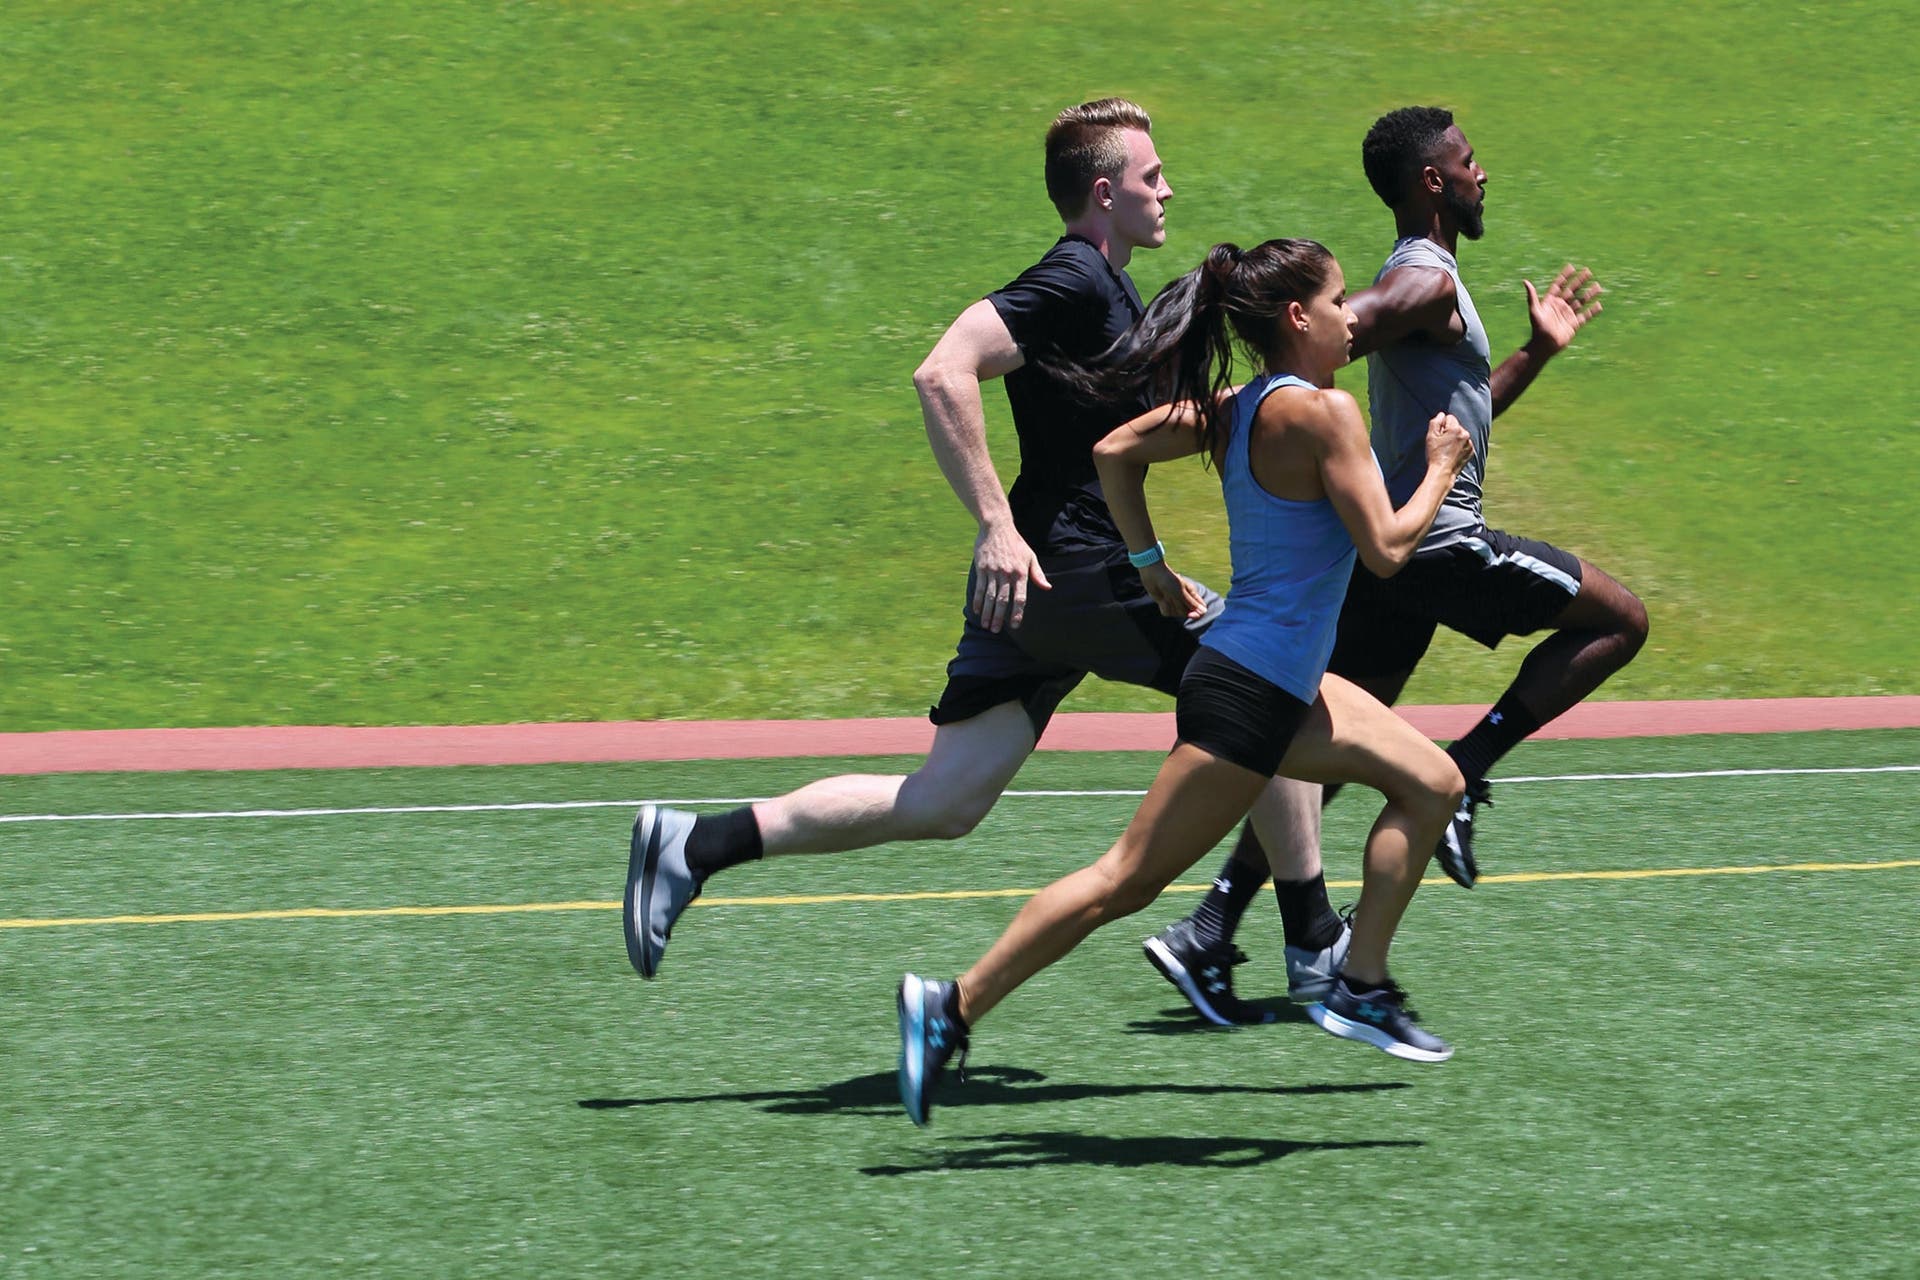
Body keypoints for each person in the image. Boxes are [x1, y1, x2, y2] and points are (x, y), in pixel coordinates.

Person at [623, 98, 1350, 1021]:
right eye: (1151, 177)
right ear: (1104, 191)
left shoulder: (1112, 289)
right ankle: (1312, 940)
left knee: (946, 798)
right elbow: (943, 369)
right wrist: (995, 526)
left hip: (1055, 579)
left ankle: (694, 846)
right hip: (1068, 563)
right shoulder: (1076, 277)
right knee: (1258, 692)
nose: (1167, 190)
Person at [897, 237, 1478, 1126]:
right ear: (1296, 319)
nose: (1351, 317)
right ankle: (951, 1007)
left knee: (1434, 781)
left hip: (1277, 677)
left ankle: (1358, 981)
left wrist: (1152, 566)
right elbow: (1390, 551)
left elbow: (1115, 450)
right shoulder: (1326, 415)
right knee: (1124, 879)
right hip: (1251, 694)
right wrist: (1442, 463)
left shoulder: (1237, 407)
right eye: (1335, 302)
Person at [1146, 106, 1649, 1017]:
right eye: (1467, 160)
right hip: (1434, 540)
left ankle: (1210, 929)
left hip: (1394, 549)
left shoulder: (1427, 284)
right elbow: (1317, 347)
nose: (1482, 172)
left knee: (1337, 745)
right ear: (1433, 181)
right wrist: (1242, 399)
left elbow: (1456, 417)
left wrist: (1536, 350)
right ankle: (1470, 770)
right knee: (1623, 621)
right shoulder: (1419, 282)